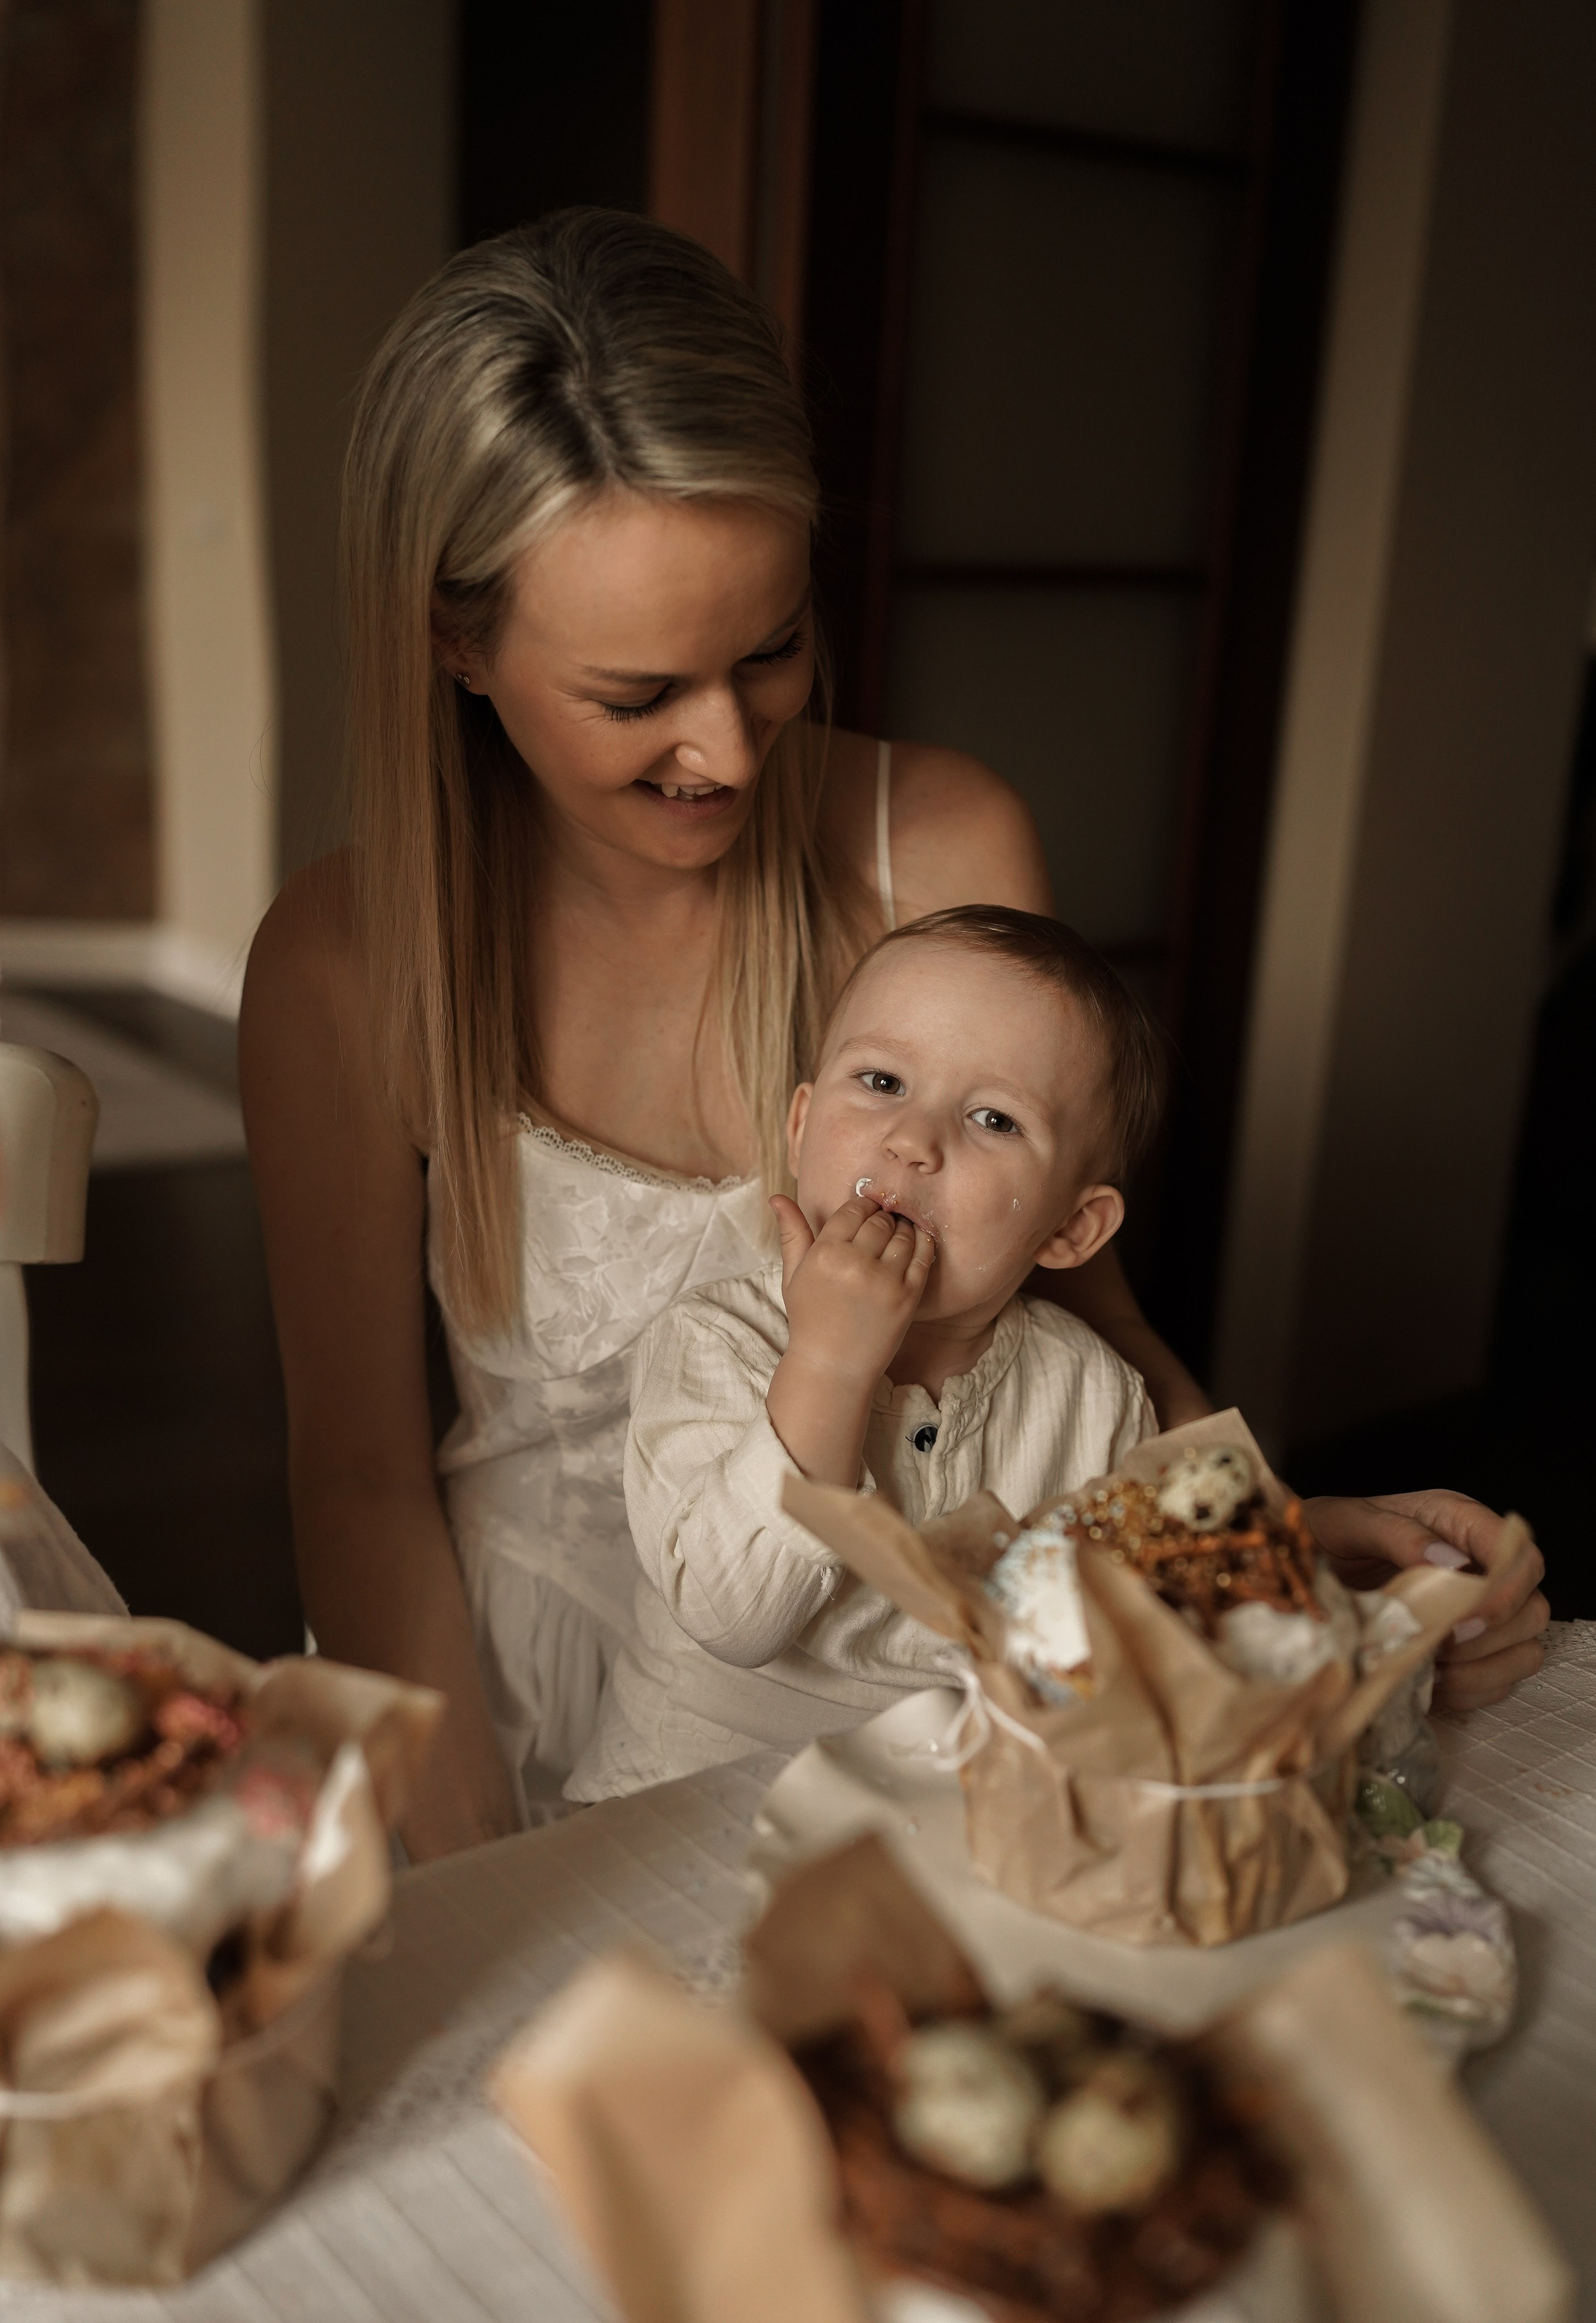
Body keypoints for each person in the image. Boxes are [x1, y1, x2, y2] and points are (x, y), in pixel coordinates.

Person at [240, 209, 1547, 1859]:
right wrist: (487, 1874)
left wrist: (1291, 1555)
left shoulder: (933, 850)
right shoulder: (345, 962)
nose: (723, 748)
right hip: (496, 1691)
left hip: (915, 1688)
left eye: (770, 648)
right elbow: (357, 1475)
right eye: (639, 695)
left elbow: (1084, 1342)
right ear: (454, 637)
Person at [569, 906, 1163, 1799]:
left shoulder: (1096, 1398)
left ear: (1073, 1227)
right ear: (803, 1125)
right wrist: (832, 1363)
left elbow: (1109, 1649)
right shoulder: (715, 1341)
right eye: (881, 1079)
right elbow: (735, 1614)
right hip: (689, 1810)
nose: (913, 1141)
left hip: (943, 1824)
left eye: (994, 1119)